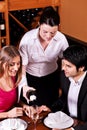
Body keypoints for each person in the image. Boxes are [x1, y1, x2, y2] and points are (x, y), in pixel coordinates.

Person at [19, 6, 69, 108]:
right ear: (39, 25)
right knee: (33, 108)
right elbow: (22, 66)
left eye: (53, 33)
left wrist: (64, 84)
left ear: (58, 27)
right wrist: (24, 85)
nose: (48, 36)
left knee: (50, 108)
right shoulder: (27, 39)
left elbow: (66, 61)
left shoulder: (61, 39)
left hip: (51, 78)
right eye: (45, 32)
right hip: (30, 77)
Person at [40, 45, 87, 130]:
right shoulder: (64, 75)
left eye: (68, 66)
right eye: (63, 64)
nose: (63, 68)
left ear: (81, 68)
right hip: (66, 121)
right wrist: (50, 108)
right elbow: (63, 98)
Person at [0, 45, 32, 118]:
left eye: (18, 63)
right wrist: (7, 114)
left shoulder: (14, 78)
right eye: (12, 64)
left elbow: (12, 101)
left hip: (11, 121)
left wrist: (24, 106)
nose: (16, 68)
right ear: (2, 63)